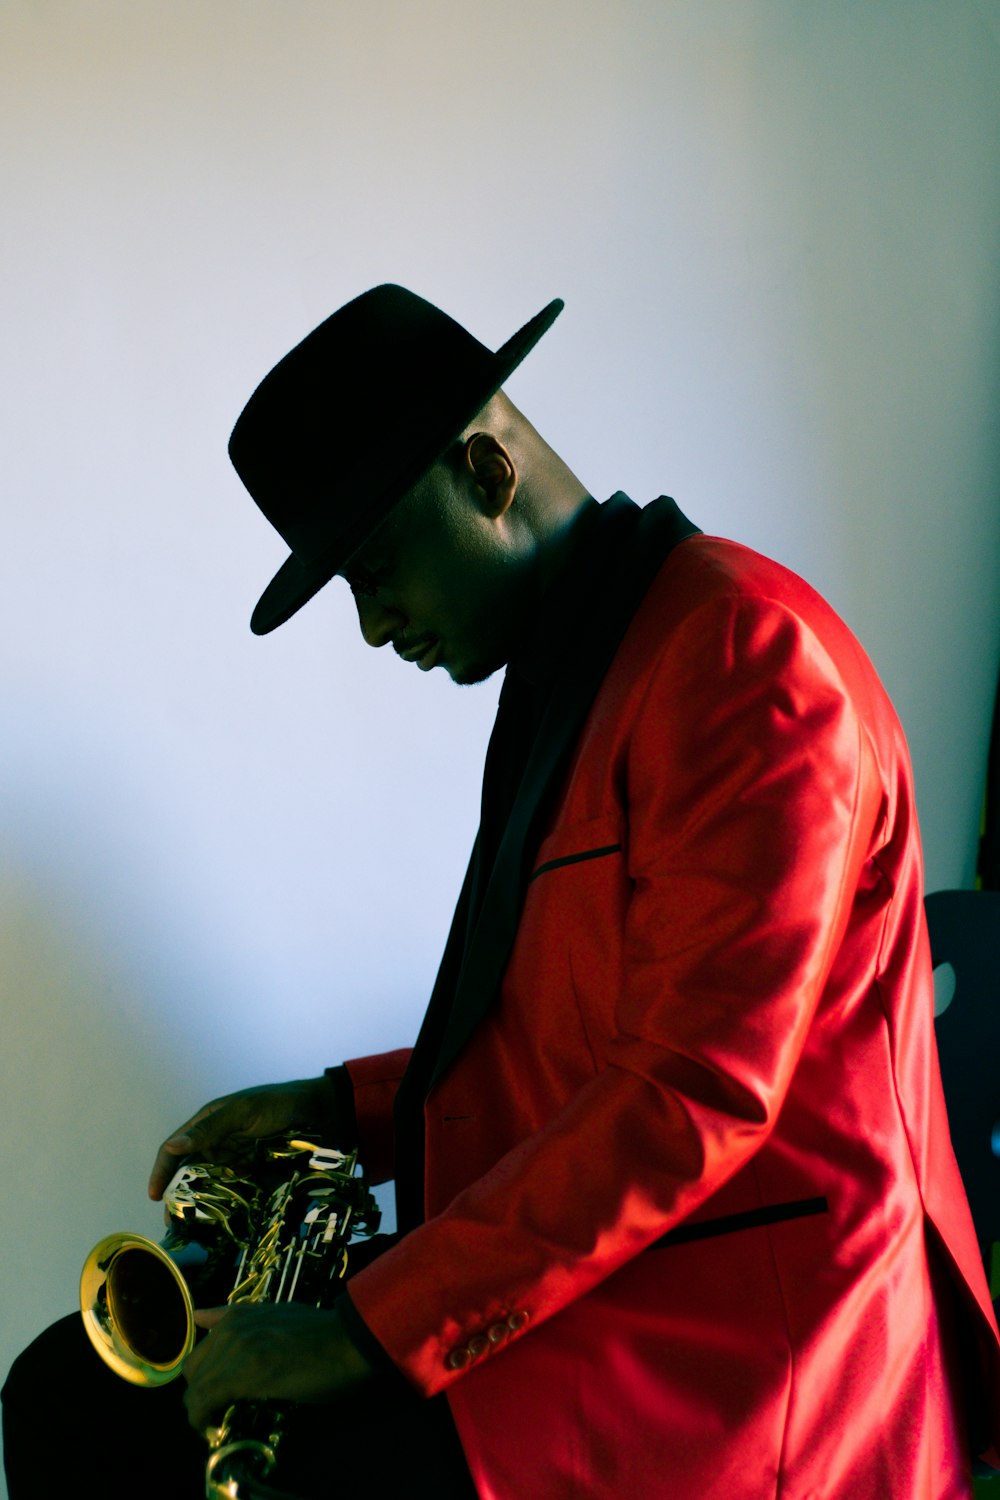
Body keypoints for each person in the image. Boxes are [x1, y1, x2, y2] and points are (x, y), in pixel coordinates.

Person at [5, 284, 1000, 1499]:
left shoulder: (741, 661)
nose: (375, 629)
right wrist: (339, 1109)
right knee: (69, 1386)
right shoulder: (584, 658)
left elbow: (690, 1093)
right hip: (621, 1282)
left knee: (140, 1436)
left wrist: (361, 1333)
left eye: (376, 572)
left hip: (738, 1357)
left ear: (485, 471)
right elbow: (568, 1034)